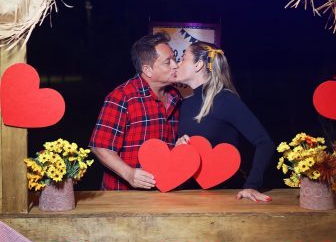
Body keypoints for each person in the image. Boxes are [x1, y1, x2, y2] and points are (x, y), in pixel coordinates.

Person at [176, 41, 275, 202]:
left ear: (198, 65)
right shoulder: (186, 104)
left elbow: (265, 143)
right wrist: (179, 147)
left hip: (226, 197)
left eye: (183, 58)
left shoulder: (226, 100)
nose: (178, 64)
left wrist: (252, 185)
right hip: (190, 196)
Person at [89, 32, 180, 190]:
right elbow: (99, 147)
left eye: (174, 58)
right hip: (124, 196)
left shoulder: (175, 96)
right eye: (168, 62)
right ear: (148, 70)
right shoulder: (122, 97)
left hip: (164, 194)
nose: (175, 65)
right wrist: (128, 173)